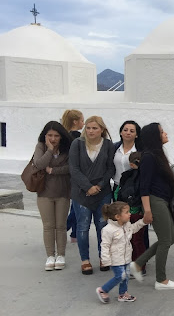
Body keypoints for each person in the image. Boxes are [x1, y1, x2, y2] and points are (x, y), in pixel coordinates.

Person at [130, 123, 174, 290]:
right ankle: (161, 280)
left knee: (170, 238)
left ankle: (138, 264)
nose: (165, 133)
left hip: (162, 200)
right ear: (154, 136)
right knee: (166, 240)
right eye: (161, 131)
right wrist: (147, 210)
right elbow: (144, 186)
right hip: (155, 201)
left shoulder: (157, 155)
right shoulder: (149, 157)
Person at [68, 116, 115, 275]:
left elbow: (110, 168)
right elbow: (73, 168)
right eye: (88, 128)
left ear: (102, 129)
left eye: (94, 128)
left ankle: (103, 257)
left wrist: (99, 185)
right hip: (81, 192)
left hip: (102, 192)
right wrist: (88, 187)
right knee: (82, 226)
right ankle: (85, 260)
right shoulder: (77, 144)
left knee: (103, 226)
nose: (90, 131)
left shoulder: (108, 145)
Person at [32, 121, 73, 271]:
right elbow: (39, 164)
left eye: (56, 136)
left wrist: (53, 170)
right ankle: (50, 255)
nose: (53, 139)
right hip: (44, 192)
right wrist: (49, 150)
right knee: (48, 226)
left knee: (61, 226)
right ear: (45, 135)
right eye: (50, 135)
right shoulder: (41, 146)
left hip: (63, 192)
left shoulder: (67, 148)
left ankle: (61, 255)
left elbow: (71, 168)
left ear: (61, 136)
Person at [95, 202, 147, 304]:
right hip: (116, 259)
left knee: (126, 276)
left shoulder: (126, 225)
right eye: (126, 212)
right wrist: (105, 260)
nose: (129, 214)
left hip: (126, 257)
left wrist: (143, 222)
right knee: (120, 276)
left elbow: (133, 228)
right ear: (117, 217)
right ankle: (103, 290)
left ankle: (123, 294)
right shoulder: (108, 230)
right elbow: (105, 246)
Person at [114, 152, 147, 267]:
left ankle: (137, 263)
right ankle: (137, 263)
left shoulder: (126, 175)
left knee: (133, 240)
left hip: (130, 213)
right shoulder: (143, 176)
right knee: (136, 240)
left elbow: (117, 192)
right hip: (137, 212)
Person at [61, 109, 84, 243]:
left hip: (67, 174)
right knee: (77, 204)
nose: (83, 123)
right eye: (82, 120)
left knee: (75, 204)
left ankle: (74, 233)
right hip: (76, 174)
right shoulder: (77, 137)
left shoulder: (64, 136)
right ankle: (65, 228)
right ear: (75, 122)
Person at [113, 120, 141, 190]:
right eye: (125, 130)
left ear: (136, 135)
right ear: (121, 132)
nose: (128, 133)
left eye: (132, 131)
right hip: (117, 185)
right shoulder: (114, 148)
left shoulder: (140, 150)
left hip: (135, 186)